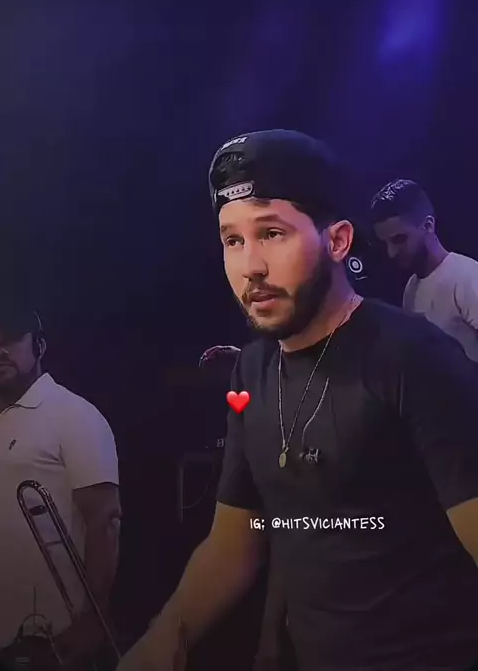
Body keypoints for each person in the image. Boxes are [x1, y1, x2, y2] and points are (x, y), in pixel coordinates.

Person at [118, 130, 478, 671]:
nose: (251, 266)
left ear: (338, 242)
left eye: (272, 233)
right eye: (233, 240)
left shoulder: (415, 359)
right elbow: (234, 544)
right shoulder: (252, 370)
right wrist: (162, 642)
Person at [0, 300, 121, 666]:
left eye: (11, 339)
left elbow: (106, 521)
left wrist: (93, 619)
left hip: (48, 634)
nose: (0, 350)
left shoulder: (73, 415)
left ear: (39, 346)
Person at [370, 178, 478, 361]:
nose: (391, 252)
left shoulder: (467, 276)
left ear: (428, 225)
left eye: (399, 239)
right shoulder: (411, 288)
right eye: (385, 243)